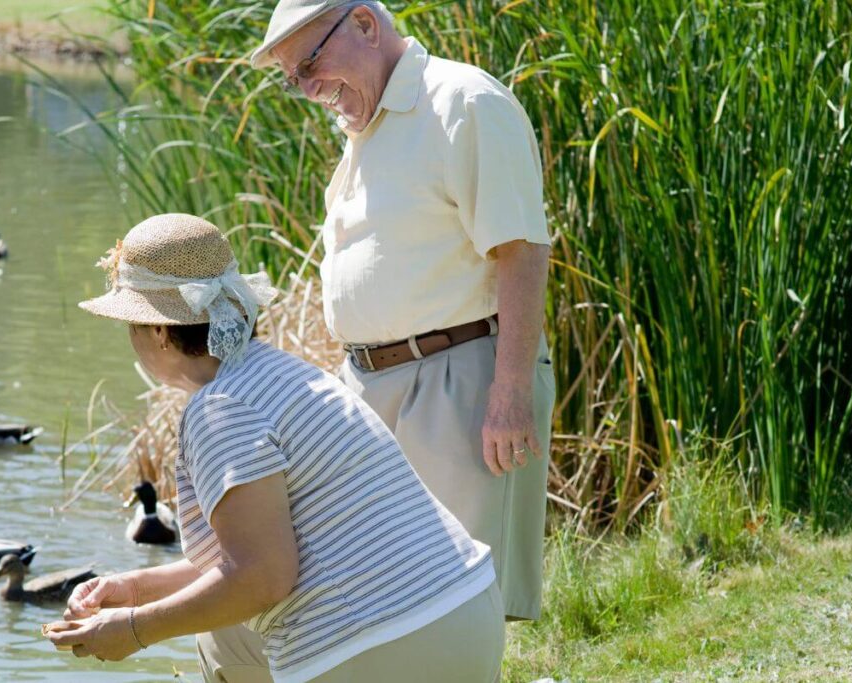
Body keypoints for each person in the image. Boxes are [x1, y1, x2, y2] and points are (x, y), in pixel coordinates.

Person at [43, 213, 504, 683]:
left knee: (223, 628)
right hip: (466, 617)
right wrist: (134, 589)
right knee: (222, 632)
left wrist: (136, 631)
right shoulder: (283, 373)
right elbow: (254, 556)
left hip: (386, 648)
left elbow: (262, 577)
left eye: (131, 325)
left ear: (160, 331)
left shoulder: (218, 410)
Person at [251, 0, 556, 622]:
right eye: (292, 78)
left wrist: (510, 391)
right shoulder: (367, 125)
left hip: (458, 380)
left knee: (462, 607)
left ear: (364, 24)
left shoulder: (462, 103)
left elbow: (521, 251)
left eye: (310, 62)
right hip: (370, 388)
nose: (308, 90)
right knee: (384, 607)